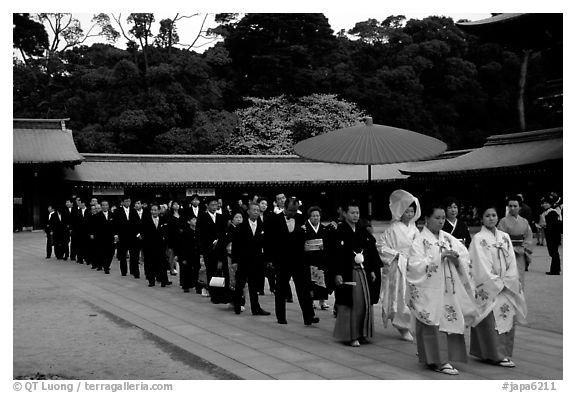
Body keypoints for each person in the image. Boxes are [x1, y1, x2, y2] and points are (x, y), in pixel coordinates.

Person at [406, 203, 478, 376]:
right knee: (434, 319)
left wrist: (456, 259)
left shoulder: (447, 238)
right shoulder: (419, 241)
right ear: (426, 219)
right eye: (437, 218)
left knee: (450, 318)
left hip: (448, 288)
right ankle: (438, 360)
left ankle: (446, 358)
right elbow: (415, 265)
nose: (441, 221)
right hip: (430, 290)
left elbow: (464, 256)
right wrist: (440, 257)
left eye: (443, 218)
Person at [468, 204, 527, 368]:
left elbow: (512, 262)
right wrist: (495, 282)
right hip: (491, 286)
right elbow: (480, 265)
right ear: (482, 218)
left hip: (506, 285)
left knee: (506, 317)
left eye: (494, 215)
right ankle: (493, 354)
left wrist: (509, 279)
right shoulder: (478, 238)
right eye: (487, 216)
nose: (491, 218)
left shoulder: (504, 237)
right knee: (489, 319)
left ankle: (502, 353)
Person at [332, 200, 382, 347]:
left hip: (362, 272)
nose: (355, 216)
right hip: (348, 273)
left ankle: (363, 333)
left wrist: (372, 269)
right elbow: (334, 255)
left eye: (357, 213)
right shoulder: (339, 232)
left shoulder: (362, 231)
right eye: (352, 213)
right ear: (345, 214)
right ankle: (351, 335)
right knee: (351, 303)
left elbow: (371, 251)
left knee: (364, 303)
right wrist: (337, 273)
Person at [378, 190, 420, 342]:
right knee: (400, 296)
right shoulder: (393, 229)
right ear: (400, 212)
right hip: (399, 266)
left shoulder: (415, 229)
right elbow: (381, 246)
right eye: (407, 211)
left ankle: (410, 324)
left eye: (412, 211)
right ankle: (402, 326)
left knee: (412, 296)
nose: (409, 214)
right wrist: (396, 255)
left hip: (412, 265)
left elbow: (420, 247)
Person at [269, 197, 317, 325]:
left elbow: (306, 237)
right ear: (285, 207)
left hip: (299, 260)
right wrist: (272, 260)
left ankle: (309, 316)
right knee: (281, 289)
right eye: (291, 210)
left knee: (303, 289)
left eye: (295, 210)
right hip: (282, 260)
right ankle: (281, 316)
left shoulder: (301, 219)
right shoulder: (274, 219)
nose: (293, 213)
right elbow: (270, 242)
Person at [231, 203, 271, 316]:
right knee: (240, 284)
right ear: (248, 211)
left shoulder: (262, 226)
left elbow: (266, 244)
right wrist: (235, 261)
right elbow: (236, 245)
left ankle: (256, 308)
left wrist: (267, 259)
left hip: (257, 260)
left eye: (258, 210)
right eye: (254, 210)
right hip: (243, 260)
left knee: (254, 285)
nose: (256, 212)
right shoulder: (240, 227)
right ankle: (237, 305)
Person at [302, 206, 333, 311]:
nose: (316, 218)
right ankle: (311, 301)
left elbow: (328, 243)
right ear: (309, 217)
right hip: (308, 258)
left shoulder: (324, 228)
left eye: (318, 216)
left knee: (321, 279)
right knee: (310, 280)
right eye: (314, 216)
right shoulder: (304, 228)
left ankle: (322, 301)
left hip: (321, 258)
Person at [497, 195, 533, 284]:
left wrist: (524, 248)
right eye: (510, 206)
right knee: (508, 277)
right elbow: (500, 238)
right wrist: (511, 249)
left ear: (520, 207)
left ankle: (519, 297)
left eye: (515, 206)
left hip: (521, 253)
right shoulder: (503, 222)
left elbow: (528, 236)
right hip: (507, 254)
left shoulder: (524, 221)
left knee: (520, 276)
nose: (512, 208)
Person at [197, 196, 227, 296]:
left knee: (220, 269)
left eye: (216, 205)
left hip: (220, 247)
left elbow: (223, 232)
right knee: (210, 268)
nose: (214, 207)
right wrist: (212, 241)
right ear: (207, 205)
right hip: (208, 247)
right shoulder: (202, 217)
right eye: (212, 205)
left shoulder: (221, 217)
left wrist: (220, 241)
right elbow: (200, 233)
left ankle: (219, 289)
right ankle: (210, 289)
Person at [141, 203, 172, 287]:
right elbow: (143, 232)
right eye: (152, 210)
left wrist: (165, 240)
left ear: (159, 211)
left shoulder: (163, 219)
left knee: (162, 263)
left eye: (155, 210)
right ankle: (151, 280)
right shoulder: (146, 220)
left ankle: (163, 280)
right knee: (150, 263)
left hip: (160, 245)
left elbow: (167, 232)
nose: (153, 212)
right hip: (149, 245)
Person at [176, 216, 201, 293]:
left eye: (196, 220)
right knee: (187, 269)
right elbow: (181, 245)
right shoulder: (185, 232)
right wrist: (182, 257)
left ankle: (197, 286)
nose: (195, 221)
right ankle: (186, 285)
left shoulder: (198, 232)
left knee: (197, 270)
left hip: (196, 254)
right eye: (193, 219)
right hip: (187, 254)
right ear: (189, 222)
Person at [115, 195, 137, 277]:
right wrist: (116, 234)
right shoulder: (118, 211)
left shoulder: (133, 211)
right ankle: (123, 271)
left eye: (129, 201)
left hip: (132, 236)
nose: (128, 203)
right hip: (122, 236)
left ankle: (133, 270)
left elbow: (136, 223)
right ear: (123, 202)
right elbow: (115, 224)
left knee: (133, 255)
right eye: (126, 201)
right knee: (123, 255)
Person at [540, 197, 562, 275]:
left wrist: (545, 226)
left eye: (547, 203)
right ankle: (555, 269)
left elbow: (554, 225)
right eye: (543, 203)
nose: (544, 205)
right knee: (553, 253)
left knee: (554, 253)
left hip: (553, 235)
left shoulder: (552, 212)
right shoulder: (546, 212)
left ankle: (555, 270)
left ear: (550, 204)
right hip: (550, 235)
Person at [166, 201, 186, 276]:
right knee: (172, 254)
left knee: (181, 255)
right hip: (172, 237)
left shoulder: (182, 215)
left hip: (181, 237)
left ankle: (181, 269)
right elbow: (168, 228)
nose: (176, 205)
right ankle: (171, 269)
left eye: (177, 204)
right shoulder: (169, 215)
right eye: (174, 204)